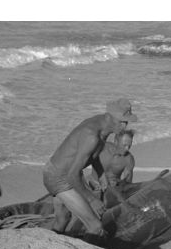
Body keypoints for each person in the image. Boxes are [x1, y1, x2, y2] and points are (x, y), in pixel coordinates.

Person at [42, 98, 137, 237]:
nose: (124, 126)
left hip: (56, 171)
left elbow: (94, 154)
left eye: (126, 122)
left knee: (63, 218)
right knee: (95, 226)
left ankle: (52, 244)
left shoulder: (102, 126)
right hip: (59, 178)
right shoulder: (91, 136)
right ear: (109, 116)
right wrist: (92, 200)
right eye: (121, 121)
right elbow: (72, 175)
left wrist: (101, 175)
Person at [90, 130, 136, 208]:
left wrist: (119, 183)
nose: (127, 149)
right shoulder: (101, 149)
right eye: (124, 145)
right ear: (116, 141)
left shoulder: (128, 159)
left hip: (112, 190)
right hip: (93, 184)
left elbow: (128, 184)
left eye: (129, 145)